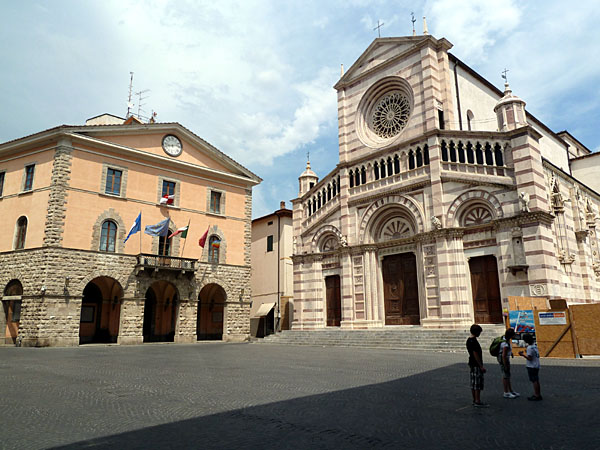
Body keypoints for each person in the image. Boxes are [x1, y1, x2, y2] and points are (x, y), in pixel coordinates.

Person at [466, 324, 488, 407]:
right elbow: (475, 354)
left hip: (471, 363)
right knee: (477, 383)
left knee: (473, 382)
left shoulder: (469, 340)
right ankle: (477, 401)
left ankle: (475, 399)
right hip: (476, 364)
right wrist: (481, 366)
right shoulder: (473, 341)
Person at [519, 333, 542, 401]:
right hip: (536, 364)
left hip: (531, 366)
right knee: (536, 380)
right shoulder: (534, 346)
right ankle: (538, 393)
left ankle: (536, 395)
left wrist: (522, 355)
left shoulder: (529, 348)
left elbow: (529, 358)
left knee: (534, 380)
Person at [498, 327, 519, 399]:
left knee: (507, 375)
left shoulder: (505, 339)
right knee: (505, 375)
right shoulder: (505, 344)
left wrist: (511, 353)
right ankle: (506, 392)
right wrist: (505, 364)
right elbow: (504, 355)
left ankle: (510, 390)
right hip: (504, 359)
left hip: (505, 358)